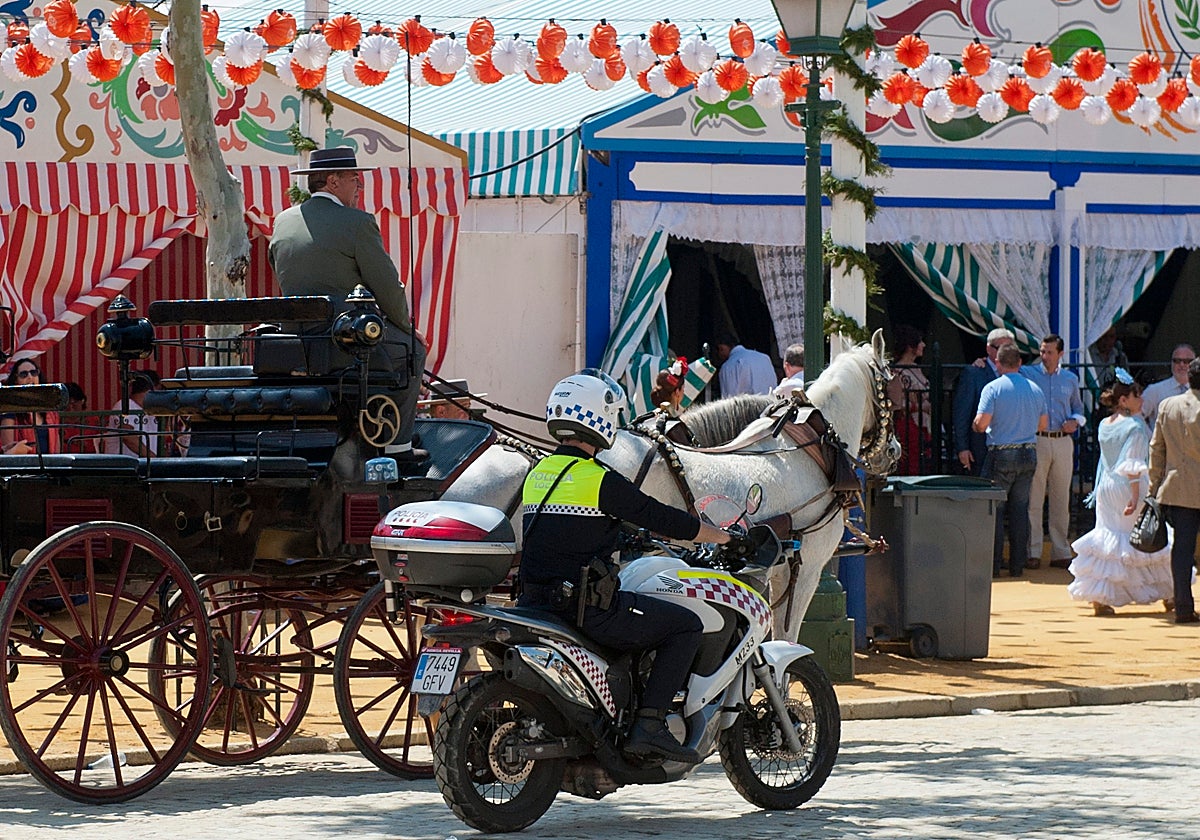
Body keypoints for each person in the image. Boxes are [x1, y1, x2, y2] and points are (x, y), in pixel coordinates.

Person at [517, 370, 734, 763]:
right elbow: (660, 516)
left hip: (536, 602)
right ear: (598, 418)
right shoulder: (599, 479)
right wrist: (720, 536)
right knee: (685, 625)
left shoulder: (540, 473)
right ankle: (650, 723)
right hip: (588, 610)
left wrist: (621, 537)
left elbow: (569, 533)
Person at [269, 146, 428, 469]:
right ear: (333, 181)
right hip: (343, 346)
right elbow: (388, 288)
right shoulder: (356, 223)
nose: (359, 187)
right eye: (355, 179)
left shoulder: (283, 222)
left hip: (295, 347)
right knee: (412, 350)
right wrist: (409, 330)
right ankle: (397, 445)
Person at [1068, 370, 1174, 616]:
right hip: (1128, 485)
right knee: (1146, 536)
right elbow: (1132, 462)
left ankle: (1101, 597)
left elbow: (1106, 460)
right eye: (1137, 396)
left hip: (1107, 487)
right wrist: (1136, 495)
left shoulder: (1106, 423)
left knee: (1110, 539)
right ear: (1124, 400)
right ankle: (1169, 593)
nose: (1142, 400)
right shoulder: (1135, 426)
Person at [974, 344, 1048, 577]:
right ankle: (1017, 565)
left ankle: (994, 565)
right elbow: (1042, 425)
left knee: (995, 509)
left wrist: (978, 426)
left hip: (1002, 451)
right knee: (1020, 509)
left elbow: (982, 423)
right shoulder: (1035, 389)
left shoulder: (993, 388)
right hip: (1029, 452)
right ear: (1019, 364)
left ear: (997, 362)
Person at [1021, 335, 1086, 569]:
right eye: (1042, 352)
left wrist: (1075, 422)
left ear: (1060, 354)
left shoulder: (1070, 379)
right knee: (1034, 497)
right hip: (1037, 438)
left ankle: (1060, 550)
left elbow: (1079, 408)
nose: (1045, 356)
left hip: (1061, 440)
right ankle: (1033, 551)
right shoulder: (1029, 374)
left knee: (1061, 497)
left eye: (1050, 352)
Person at [1148, 357, 1200, 625]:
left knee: (1182, 549)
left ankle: (1182, 605)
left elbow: (1156, 448)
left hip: (1177, 488)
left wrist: (1153, 486)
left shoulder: (1168, 405)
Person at [953, 328, 1015, 476]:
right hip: (981, 448)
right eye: (1001, 348)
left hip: (1010, 449)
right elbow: (962, 414)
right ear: (989, 348)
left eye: (1010, 348)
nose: (1006, 353)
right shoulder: (974, 373)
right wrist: (963, 448)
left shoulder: (1018, 373)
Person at [886, 326, 933, 475]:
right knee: (912, 464)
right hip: (909, 424)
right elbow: (897, 403)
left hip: (924, 424)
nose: (924, 345)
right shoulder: (897, 372)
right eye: (920, 342)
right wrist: (919, 406)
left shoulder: (917, 368)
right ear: (910, 345)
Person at [0, 360, 60, 455]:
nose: (30, 377)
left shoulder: (50, 412)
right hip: (23, 466)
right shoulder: (9, 412)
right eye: (23, 374)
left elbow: (57, 449)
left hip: (48, 467)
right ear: (16, 380)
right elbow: (8, 452)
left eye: (34, 372)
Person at [1141, 344, 1196, 432]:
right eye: (1177, 361)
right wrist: (1149, 436)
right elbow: (1136, 417)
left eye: (1187, 361)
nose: (1182, 365)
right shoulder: (1154, 391)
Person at [102, 373, 158, 458]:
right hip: (125, 467)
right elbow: (128, 436)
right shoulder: (125, 405)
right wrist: (153, 458)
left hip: (144, 466)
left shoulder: (151, 412)